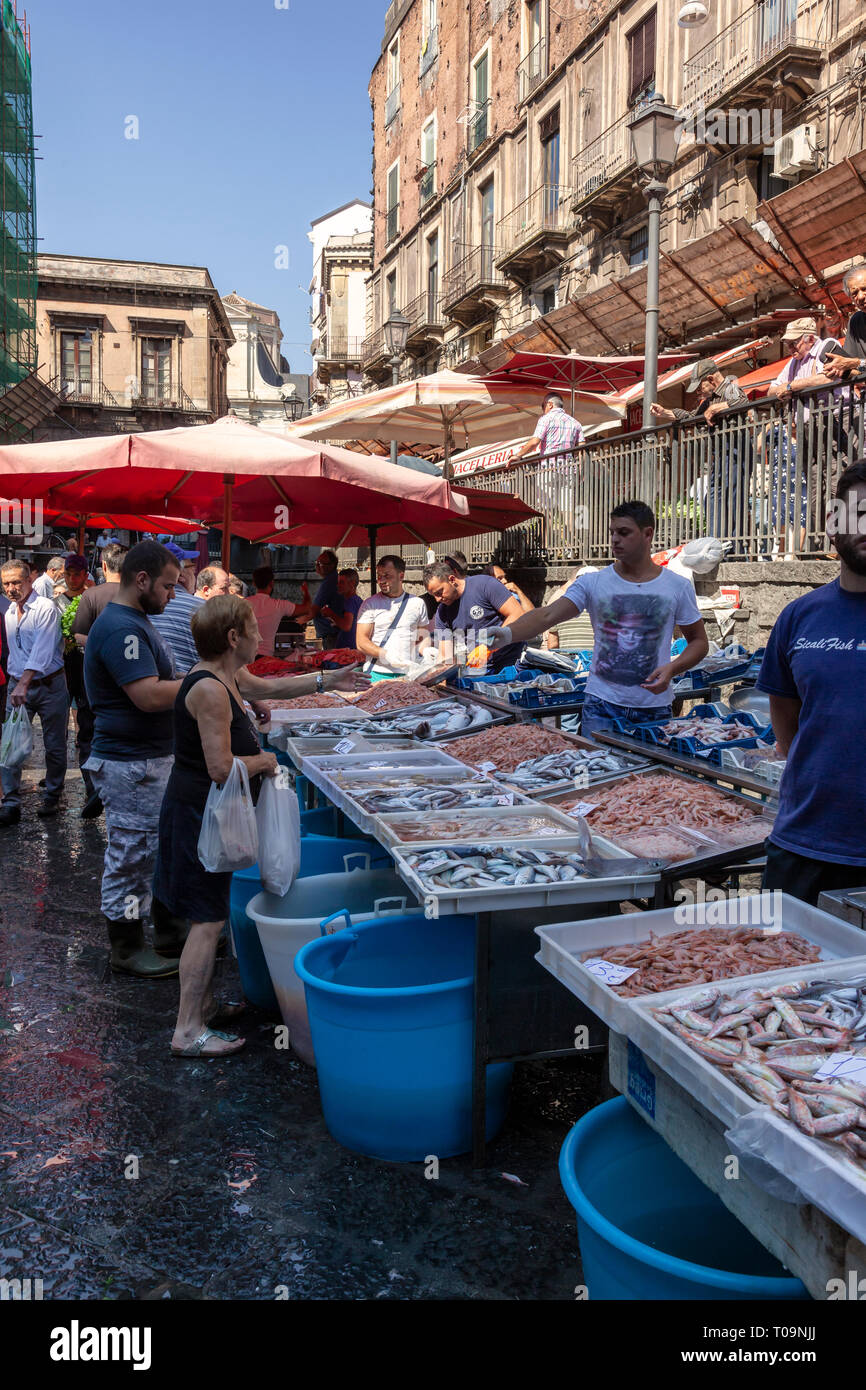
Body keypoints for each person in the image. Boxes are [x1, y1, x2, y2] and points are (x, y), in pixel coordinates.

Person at [153, 596, 279, 1058]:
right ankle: (187, 1030)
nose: (259, 636)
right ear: (233, 639)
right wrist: (263, 760)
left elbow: (265, 688)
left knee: (209, 914)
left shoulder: (224, 677)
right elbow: (222, 768)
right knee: (206, 921)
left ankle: (203, 1005)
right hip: (196, 815)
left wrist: (330, 679)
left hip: (205, 815)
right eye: (253, 629)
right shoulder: (207, 688)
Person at [485, 501, 708, 738]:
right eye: (612, 532)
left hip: (653, 708)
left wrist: (673, 668)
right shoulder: (594, 582)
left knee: (647, 776)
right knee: (601, 772)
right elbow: (548, 614)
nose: (615, 539)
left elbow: (699, 642)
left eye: (624, 532)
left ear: (647, 534)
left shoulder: (676, 586)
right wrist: (507, 634)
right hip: (602, 706)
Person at [757, 458, 866, 904]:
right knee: (778, 971)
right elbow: (786, 721)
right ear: (833, 524)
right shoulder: (799, 616)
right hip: (803, 846)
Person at [83, 541, 184, 977]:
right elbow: (146, 695)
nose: (173, 596)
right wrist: (206, 682)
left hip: (147, 760)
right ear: (141, 580)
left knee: (155, 851)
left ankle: (167, 931)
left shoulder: (137, 619)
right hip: (130, 765)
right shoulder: (122, 628)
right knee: (132, 857)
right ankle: (125, 947)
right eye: (167, 586)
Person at [651, 360, 751, 551]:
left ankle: (735, 548)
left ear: (711, 379)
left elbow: (743, 401)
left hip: (736, 451)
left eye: (700, 386)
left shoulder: (729, 389)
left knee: (731, 499)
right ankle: (716, 543)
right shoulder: (708, 400)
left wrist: (717, 407)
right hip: (721, 454)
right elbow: (691, 417)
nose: (699, 392)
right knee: (712, 497)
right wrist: (665, 413)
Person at [0, 558, 68, 825]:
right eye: (6, 583)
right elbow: (15, 653)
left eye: (17, 582)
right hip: (19, 686)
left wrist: (22, 683)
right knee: (10, 744)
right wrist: (15, 682)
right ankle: (11, 802)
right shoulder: (8, 612)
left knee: (54, 745)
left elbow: (42, 650)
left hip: (49, 685)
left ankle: (52, 795)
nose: (11, 588)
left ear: (30, 580)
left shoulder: (46, 608)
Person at [70, 542, 129, 818]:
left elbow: (77, 635)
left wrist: (98, 644)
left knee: (88, 734)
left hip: (92, 680)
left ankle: (94, 788)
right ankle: (118, 789)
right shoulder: (137, 595)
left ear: (103, 566)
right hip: (131, 679)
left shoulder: (91, 596)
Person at [424, 557, 525, 673]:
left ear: (452, 579)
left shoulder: (484, 585)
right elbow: (444, 655)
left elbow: (517, 613)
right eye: (433, 595)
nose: (437, 599)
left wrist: (488, 646)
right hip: (478, 669)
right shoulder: (442, 613)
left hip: (510, 662)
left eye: (439, 592)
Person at [54, 553, 92, 807]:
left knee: (87, 729)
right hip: (60, 671)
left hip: (86, 671)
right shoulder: (54, 603)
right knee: (57, 731)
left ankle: (91, 784)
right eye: (68, 573)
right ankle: (55, 785)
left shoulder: (92, 600)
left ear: (85, 574)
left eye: (77, 573)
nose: (72, 578)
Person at [355, 555, 429, 681]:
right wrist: (386, 655)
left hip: (409, 674)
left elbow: (422, 637)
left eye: (387, 576)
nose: (381, 580)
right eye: (379, 576)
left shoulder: (417, 603)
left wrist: (427, 652)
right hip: (377, 673)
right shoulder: (370, 604)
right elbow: (361, 642)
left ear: (401, 576)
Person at [246, 564, 311, 657]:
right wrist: (306, 593)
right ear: (272, 583)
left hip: (245, 658)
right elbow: (307, 608)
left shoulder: (243, 604)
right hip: (266, 657)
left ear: (254, 583)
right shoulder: (279, 605)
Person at [509, 393, 584, 465]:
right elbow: (582, 451)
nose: (542, 409)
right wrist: (583, 473)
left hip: (548, 470)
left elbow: (534, 442)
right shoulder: (576, 423)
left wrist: (518, 455)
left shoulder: (546, 419)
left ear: (550, 405)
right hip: (569, 471)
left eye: (543, 405)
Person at [321, 568, 363, 649]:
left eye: (342, 583)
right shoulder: (358, 600)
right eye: (338, 583)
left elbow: (346, 626)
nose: (338, 586)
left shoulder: (350, 601)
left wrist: (331, 613)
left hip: (348, 650)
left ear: (352, 584)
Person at [309, 549, 343, 647]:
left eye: (321, 563)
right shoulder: (331, 579)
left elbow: (314, 609)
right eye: (317, 562)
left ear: (331, 565)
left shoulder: (329, 582)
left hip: (332, 636)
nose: (317, 566)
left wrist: (301, 619)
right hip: (333, 634)